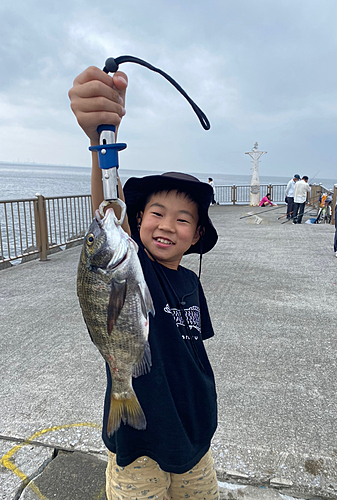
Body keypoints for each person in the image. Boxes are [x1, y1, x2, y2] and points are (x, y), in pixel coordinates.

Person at [69, 66, 219, 499]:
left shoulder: (191, 283)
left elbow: (194, 350)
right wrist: (102, 139)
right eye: (156, 213)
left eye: (183, 218)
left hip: (193, 439)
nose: (167, 225)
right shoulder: (133, 267)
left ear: (195, 235)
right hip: (138, 450)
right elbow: (105, 212)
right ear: (136, 221)